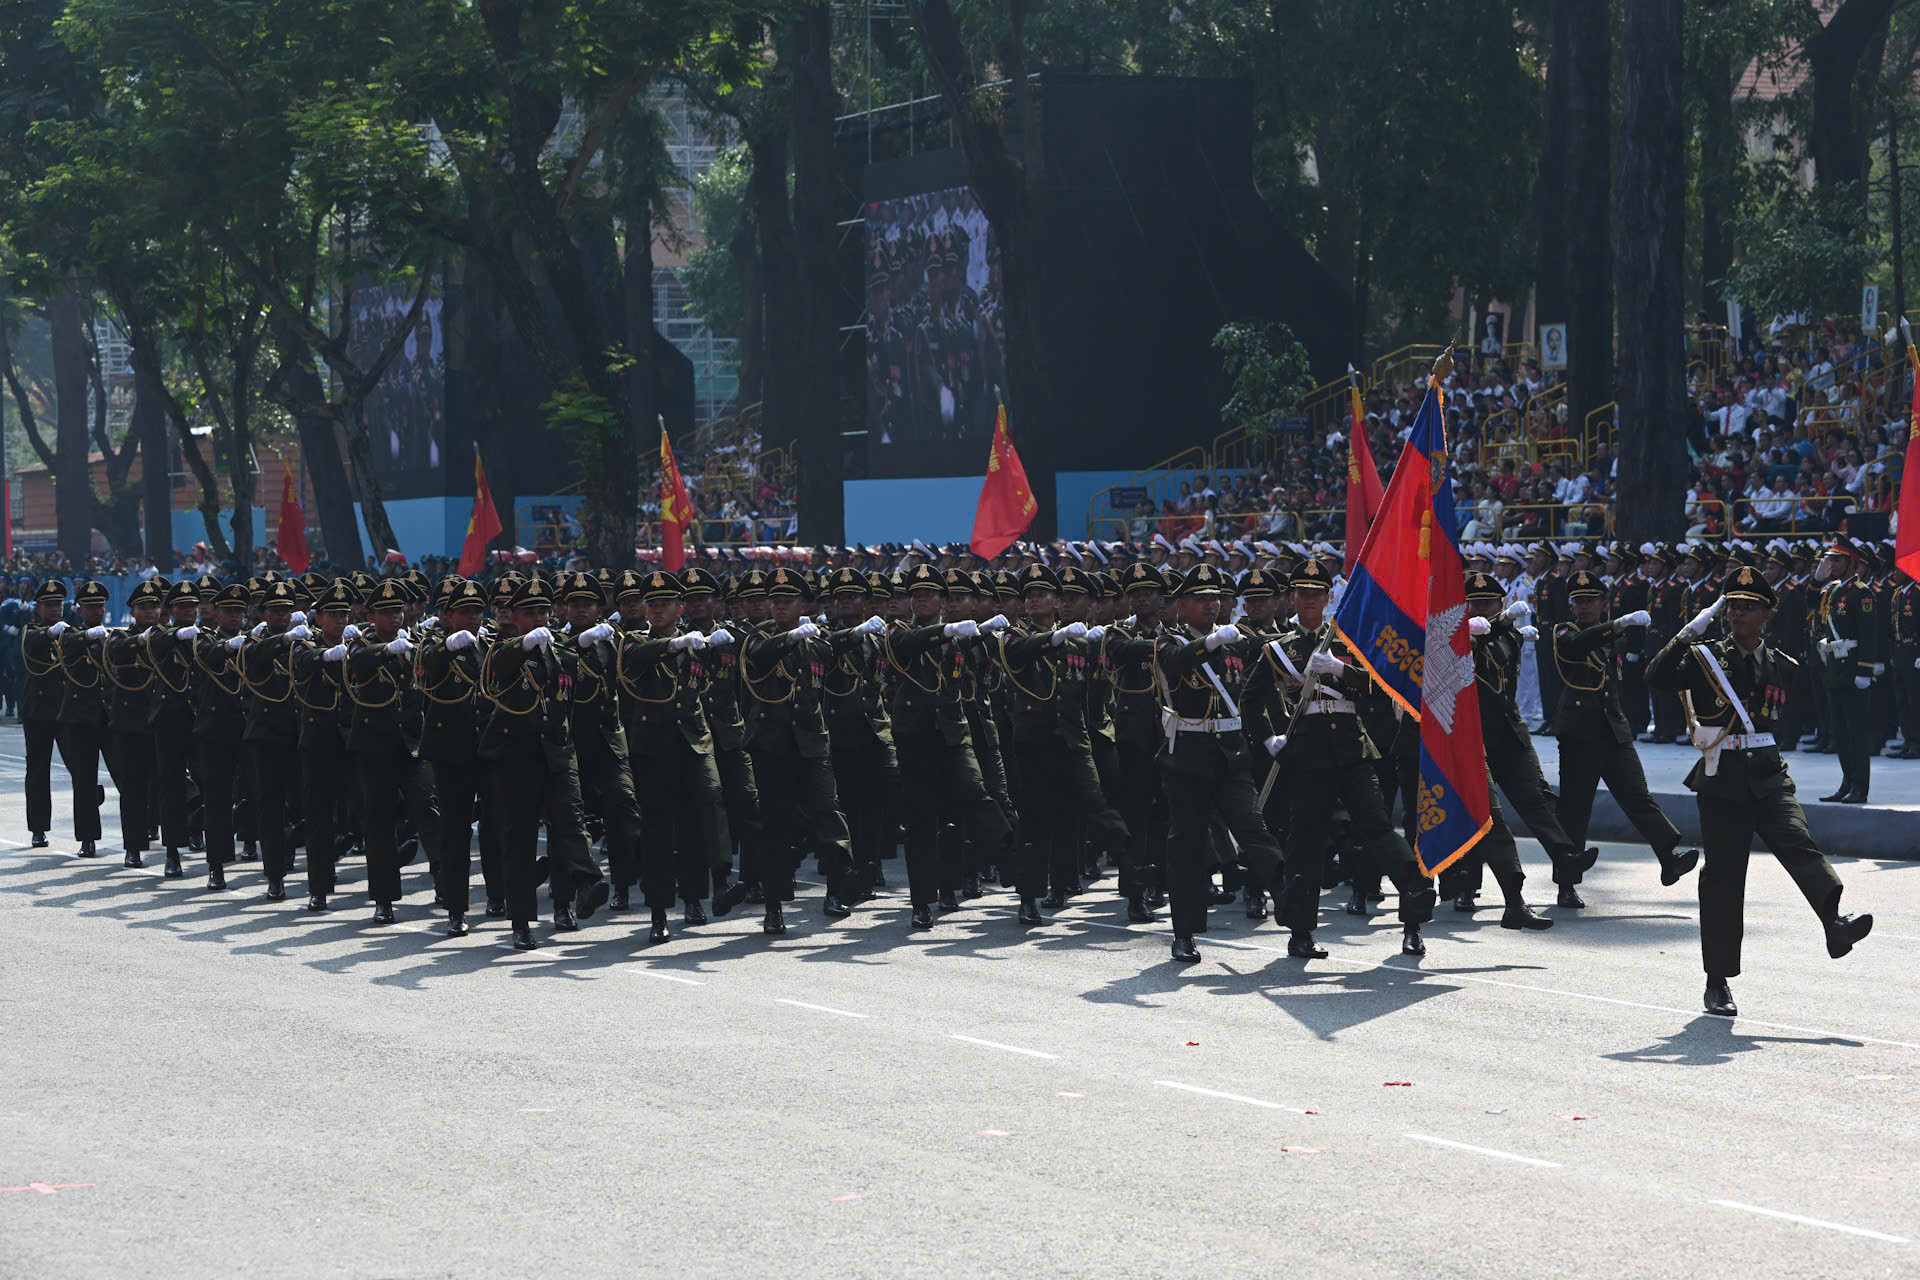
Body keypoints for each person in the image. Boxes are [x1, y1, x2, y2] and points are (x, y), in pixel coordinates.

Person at [1646, 566, 1873, 1017]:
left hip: (1769, 775)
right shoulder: (1705, 656)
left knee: (1800, 844)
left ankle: (1834, 922)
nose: (1737, 614)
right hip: (1723, 778)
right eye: (1732, 606)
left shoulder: (1782, 666)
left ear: (1768, 614)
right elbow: (1656, 674)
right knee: (1724, 880)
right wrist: (1695, 626)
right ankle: (1717, 981)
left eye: (1747, 607)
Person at [1154, 564, 1285, 962]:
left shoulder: (1238, 642)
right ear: (1181, 604)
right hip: (1189, 757)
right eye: (1200, 599)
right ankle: (1185, 932)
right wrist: (1209, 645)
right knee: (1188, 847)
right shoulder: (1166, 641)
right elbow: (1175, 663)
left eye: (1215, 598)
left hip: (1231, 755)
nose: (1211, 605)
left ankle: (1293, 907)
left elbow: (1276, 648)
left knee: (1254, 829)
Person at [1549, 570, 1700, 900]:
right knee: (1575, 807)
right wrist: (1617, 624)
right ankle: (1566, 882)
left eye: (1590, 601)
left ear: (1604, 604)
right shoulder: (1564, 630)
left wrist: (1616, 629)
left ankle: (1668, 857)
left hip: (1612, 728)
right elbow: (1576, 645)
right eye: (1578, 601)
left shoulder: (1612, 637)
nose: (1583, 607)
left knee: (1638, 796)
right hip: (1578, 731)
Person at [479, 576, 609, 949]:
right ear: (514, 616)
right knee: (518, 838)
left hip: (556, 752)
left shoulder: (561, 654)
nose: (538, 618)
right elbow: (498, 668)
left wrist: (590, 650)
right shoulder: (502, 651)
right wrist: (523, 644)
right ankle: (520, 921)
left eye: (543, 612)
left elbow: (587, 686)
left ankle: (577, 892)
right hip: (515, 757)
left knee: (569, 824)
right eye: (529, 612)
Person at [1813, 537, 1886, 802]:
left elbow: (1869, 635)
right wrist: (1816, 578)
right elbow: (1810, 601)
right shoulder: (1833, 590)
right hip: (1835, 669)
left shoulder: (1861, 592)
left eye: (1837, 559)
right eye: (1830, 558)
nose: (1831, 563)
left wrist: (1865, 671)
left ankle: (1860, 787)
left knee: (1856, 733)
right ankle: (1846, 783)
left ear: (1851, 563)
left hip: (1853, 669)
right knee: (1840, 733)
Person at [52, 580, 113, 858]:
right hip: (80, 717)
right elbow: (67, 646)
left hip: (110, 716)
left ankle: (142, 831)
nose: (95, 612)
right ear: (79, 609)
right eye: (89, 607)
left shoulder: (111, 637)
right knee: (84, 780)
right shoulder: (71, 635)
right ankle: (87, 838)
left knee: (128, 776)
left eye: (99, 606)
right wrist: (89, 637)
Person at [19, 579, 69, 848]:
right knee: (38, 769)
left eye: (58, 604)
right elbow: (32, 641)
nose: (55, 609)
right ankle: (38, 828)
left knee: (80, 767)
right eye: (49, 605)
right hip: (38, 710)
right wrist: (51, 633)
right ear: (38, 608)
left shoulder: (69, 631)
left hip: (66, 708)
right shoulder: (32, 629)